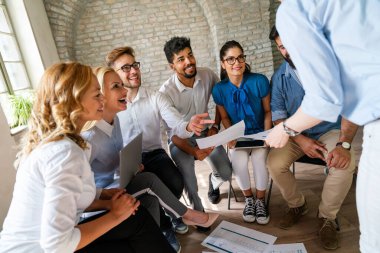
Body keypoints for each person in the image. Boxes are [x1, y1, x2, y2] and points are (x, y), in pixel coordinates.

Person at [0, 62, 175, 253]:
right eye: (96, 94)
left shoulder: (63, 143)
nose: (102, 99)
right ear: (74, 100)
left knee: (136, 217)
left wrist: (103, 196)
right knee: (133, 224)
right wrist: (115, 214)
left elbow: (69, 198)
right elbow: (57, 245)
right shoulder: (64, 152)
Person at [265, 1, 380, 252]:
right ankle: (297, 204)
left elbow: (333, 103)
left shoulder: (298, 15)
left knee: (343, 163)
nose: (289, 51)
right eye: (282, 47)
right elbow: (279, 116)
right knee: (274, 163)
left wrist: (344, 143)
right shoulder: (280, 78)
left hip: (334, 130)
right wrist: (299, 137)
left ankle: (327, 217)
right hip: (300, 135)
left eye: (291, 43)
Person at [82, 66, 219, 252]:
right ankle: (186, 215)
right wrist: (108, 193)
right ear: (100, 94)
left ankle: (153, 240)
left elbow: (175, 125)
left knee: (151, 200)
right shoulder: (89, 138)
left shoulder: (116, 122)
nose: (124, 91)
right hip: (103, 201)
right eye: (116, 86)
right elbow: (82, 193)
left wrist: (129, 167)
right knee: (148, 181)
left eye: (122, 85)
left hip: (121, 183)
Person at [105, 46, 212, 235]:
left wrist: (188, 126)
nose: (133, 71)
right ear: (114, 75)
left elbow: (176, 125)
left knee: (175, 181)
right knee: (144, 190)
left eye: (135, 65)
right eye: (126, 68)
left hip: (154, 154)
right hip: (128, 161)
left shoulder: (155, 97)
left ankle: (170, 214)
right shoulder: (110, 106)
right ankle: (165, 225)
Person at [160, 37, 233, 221]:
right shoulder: (165, 93)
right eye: (181, 59)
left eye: (190, 55)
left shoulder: (207, 75)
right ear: (172, 66)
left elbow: (220, 101)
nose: (188, 61)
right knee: (189, 180)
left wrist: (215, 126)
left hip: (205, 133)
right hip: (181, 140)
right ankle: (199, 211)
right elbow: (172, 134)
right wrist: (193, 151)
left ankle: (213, 183)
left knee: (226, 172)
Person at [211, 40, 271, 224]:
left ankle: (260, 201)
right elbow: (225, 118)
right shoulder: (219, 89)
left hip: (261, 132)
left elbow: (268, 111)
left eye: (240, 57)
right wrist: (230, 135)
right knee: (239, 162)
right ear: (223, 63)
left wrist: (267, 136)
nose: (237, 63)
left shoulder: (259, 81)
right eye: (230, 59)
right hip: (239, 135)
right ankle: (249, 200)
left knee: (259, 159)